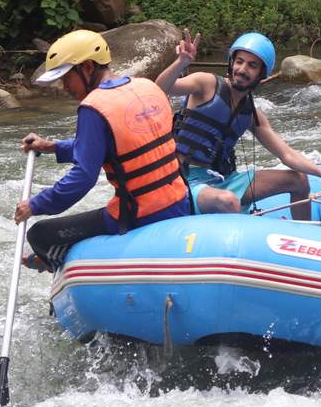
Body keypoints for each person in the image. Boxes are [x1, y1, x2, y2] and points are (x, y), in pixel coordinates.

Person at [15, 29, 190, 271]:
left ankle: (62, 267)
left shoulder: (93, 106)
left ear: (87, 67)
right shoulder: (147, 87)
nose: (64, 86)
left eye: (66, 77)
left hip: (140, 215)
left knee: (39, 235)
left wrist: (36, 204)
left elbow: (83, 178)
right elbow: (124, 146)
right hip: (180, 201)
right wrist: (53, 147)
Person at [155, 29, 321, 220]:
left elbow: (286, 154)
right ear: (231, 63)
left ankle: (303, 237)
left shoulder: (251, 114)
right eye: (239, 62)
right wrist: (181, 63)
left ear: (261, 74)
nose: (243, 69)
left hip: (223, 180)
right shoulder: (206, 84)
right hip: (185, 180)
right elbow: (160, 89)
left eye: (252, 65)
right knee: (228, 201)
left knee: (299, 180)